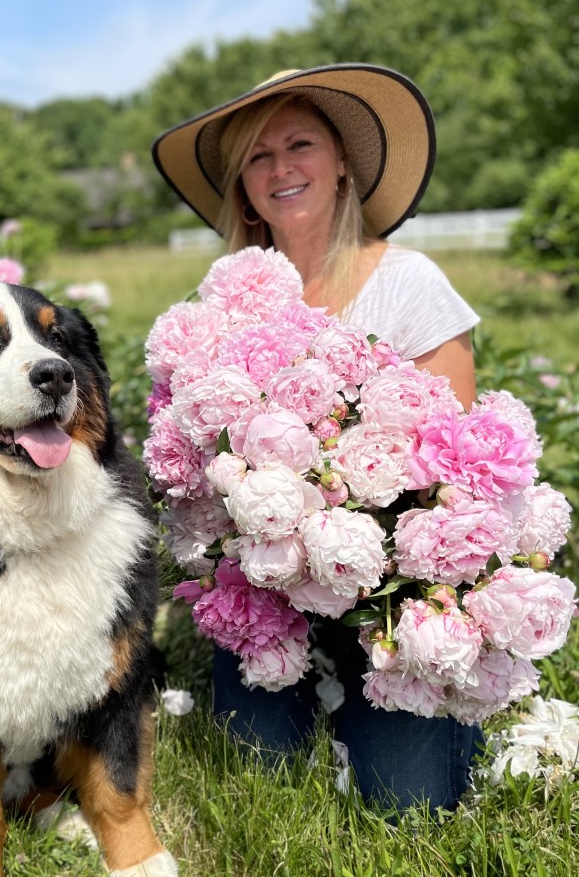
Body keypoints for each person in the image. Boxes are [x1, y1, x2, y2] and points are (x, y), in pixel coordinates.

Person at [151, 63, 482, 812]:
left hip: (388, 592)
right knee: (259, 771)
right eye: (257, 158)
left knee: (408, 806)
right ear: (243, 186)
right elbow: (198, 476)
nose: (280, 168)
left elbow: (458, 471)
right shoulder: (223, 307)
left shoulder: (409, 283)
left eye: (299, 144)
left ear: (342, 164)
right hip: (268, 587)